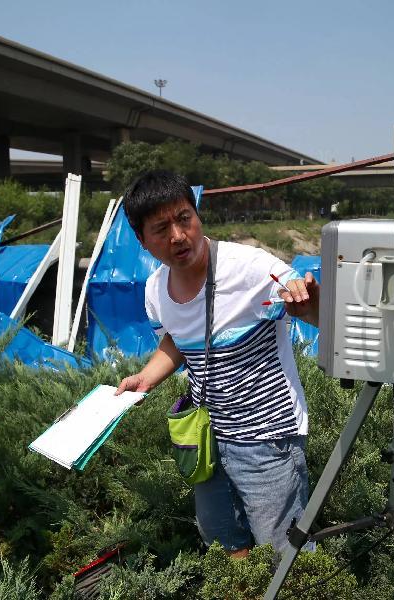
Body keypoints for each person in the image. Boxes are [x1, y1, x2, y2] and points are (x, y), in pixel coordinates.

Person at [115, 170, 319, 556]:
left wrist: (309, 301)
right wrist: (146, 377)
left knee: (283, 555)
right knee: (225, 542)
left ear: (197, 214)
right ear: (142, 240)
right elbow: (177, 340)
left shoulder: (250, 267)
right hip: (207, 437)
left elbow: (309, 304)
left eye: (184, 218)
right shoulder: (155, 289)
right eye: (161, 228)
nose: (178, 235)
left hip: (267, 438)